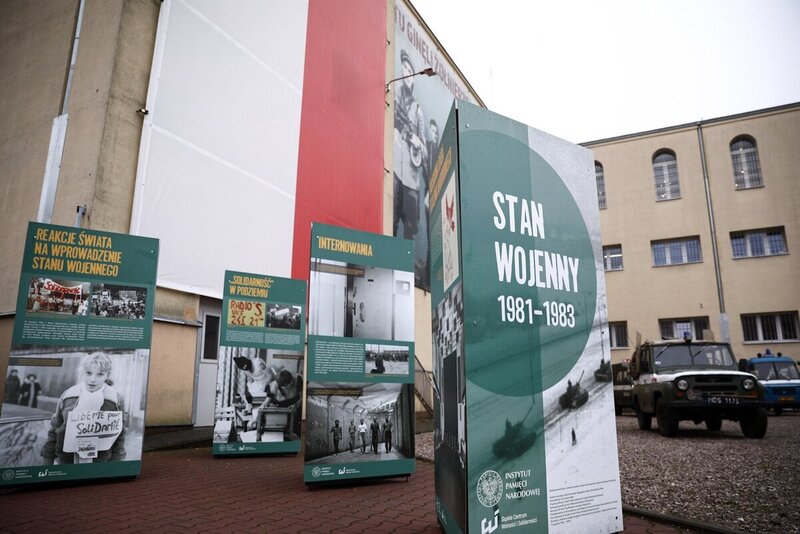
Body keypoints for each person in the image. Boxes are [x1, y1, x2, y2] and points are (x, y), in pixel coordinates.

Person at [41, 352, 126, 464]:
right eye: (88, 373)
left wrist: (116, 463)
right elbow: (54, 429)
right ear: (82, 372)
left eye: (100, 374)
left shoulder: (115, 399)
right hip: (67, 461)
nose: (92, 379)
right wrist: (47, 460)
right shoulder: (69, 395)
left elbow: (119, 435)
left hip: (99, 463)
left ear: (107, 375)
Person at [393, 49, 428, 243]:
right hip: (396, 172)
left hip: (411, 179)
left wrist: (417, 142)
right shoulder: (394, 93)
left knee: (409, 231)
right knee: (392, 221)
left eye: (410, 69)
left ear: (414, 78)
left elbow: (425, 152)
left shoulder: (418, 111)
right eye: (404, 68)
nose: (407, 72)